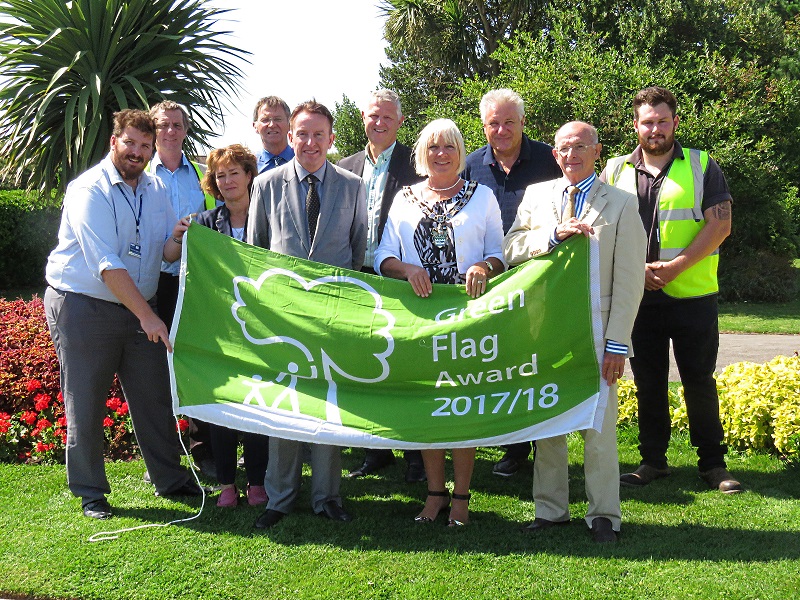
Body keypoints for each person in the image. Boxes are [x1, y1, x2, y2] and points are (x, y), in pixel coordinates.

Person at [44, 109, 201, 520]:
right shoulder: (88, 190)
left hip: (136, 307)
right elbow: (106, 265)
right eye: (130, 143)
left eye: (145, 146)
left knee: (153, 395)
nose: (137, 152)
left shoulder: (153, 188)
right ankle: (90, 491)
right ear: (114, 141)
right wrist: (148, 317)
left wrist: (180, 238)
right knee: (87, 398)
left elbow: (164, 250)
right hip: (83, 305)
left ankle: (169, 479)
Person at [503, 121, 646, 542]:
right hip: (544, 332)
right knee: (548, 424)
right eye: (564, 148)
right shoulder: (536, 196)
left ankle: (604, 515)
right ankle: (550, 510)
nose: (571, 155)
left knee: (598, 429)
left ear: (597, 151)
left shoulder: (621, 204)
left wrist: (617, 343)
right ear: (555, 154)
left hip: (599, 333)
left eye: (581, 147)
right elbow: (511, 250)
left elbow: (629, 281)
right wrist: (552, 235)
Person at [601, 86, 740, 493]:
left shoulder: (701, 165)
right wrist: (633, 270)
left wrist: (677, 267)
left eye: (663, 121)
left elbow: (721, 224)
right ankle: (652, 461)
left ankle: (713, 465)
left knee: (698, 378)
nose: (655, 129)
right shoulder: (613, 171)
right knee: (648, 380)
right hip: (637, 295)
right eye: (648, 122)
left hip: (693, 294)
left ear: (675, 122)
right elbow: (601, 231)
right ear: (635, 125)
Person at [374, 118, 505, 526]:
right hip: (420, 318)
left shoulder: (482, 197)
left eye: (449, 147)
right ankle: (434, 496)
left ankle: (462, 498)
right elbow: (382, 255)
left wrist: (484, 265)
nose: (441, 154)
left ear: (460, 152)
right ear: (421, 154)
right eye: (433, 148)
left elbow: (501, 254)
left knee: (461, 409)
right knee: (431, 408)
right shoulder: (405, 198)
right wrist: (406, 269)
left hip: (468, 320)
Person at [247, 100, 367, 529]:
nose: (310, 142)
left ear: (332, 139)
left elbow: (357, 251)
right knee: (285, 407)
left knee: (329, 404)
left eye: (319, 134)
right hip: (283, 318)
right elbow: (255, 252)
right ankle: (279, 498)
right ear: (291, 137)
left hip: (334, 316)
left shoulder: (353, 186)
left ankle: (327, 495)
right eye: (302, 134)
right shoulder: (266, 184)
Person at [463, 88, 562, 477]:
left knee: (538, 360)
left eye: (509, 122)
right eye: (493, 123)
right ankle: (515, 447)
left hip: (540, 275)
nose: (501, 130)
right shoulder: (471, 165)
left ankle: (547, 445)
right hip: (492, 278)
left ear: (523, 122)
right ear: (484, 126)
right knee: (504, 363)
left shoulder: (548, 159)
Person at [337, 89, 426, 483]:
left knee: (403, 366)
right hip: (356, 276)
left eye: (388, 117)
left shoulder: (417, 164)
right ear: (362, 117)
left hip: (399, 275)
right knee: (362, 365)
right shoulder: (345, 165)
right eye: (374, 116)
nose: (380, 123)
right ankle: (374, 450)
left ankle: (414, 454)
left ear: (400, 122)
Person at [196, 144, 270, 508]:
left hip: (261, 329)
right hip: (220, 330)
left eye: (233, 173)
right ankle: (227, 483)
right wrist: (181, 238)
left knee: (258, 405)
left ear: (249, 175)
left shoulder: (268, 218)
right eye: (220, 176)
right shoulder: (205, 225)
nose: (226, 181)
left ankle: (257, 481)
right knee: (222, 406)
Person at [148, 100, 217, 477]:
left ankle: (203, 447)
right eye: (163, 125)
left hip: (194, 282)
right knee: (156, 369)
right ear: (153, 129)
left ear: (186, 129)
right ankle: (163, 455)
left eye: (177, 124)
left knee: (195, 360)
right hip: (153, 282)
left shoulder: (202, 176)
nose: (170, 131)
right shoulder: (141, 174)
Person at [253, 96, 295, 173]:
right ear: (255, 126)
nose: (272, 125)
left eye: (278, 119)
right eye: (265, 120)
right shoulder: (250, 165)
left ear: (290, 124)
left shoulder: (302, 160)